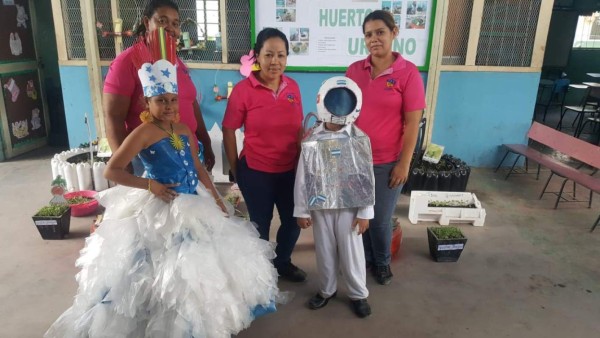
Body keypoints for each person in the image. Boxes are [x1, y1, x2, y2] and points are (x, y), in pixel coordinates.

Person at [44, 36, 282, 338]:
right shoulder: (143, 132)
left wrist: (216, 197)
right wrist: (150, 185)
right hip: (163, 204)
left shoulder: (182, 128)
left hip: (195, 200)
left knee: (204, 263)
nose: (168, 106)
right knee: (163, 266)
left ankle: (204, 317)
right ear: (147, 102)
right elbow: (112, 170)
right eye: (160, 100)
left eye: (172, 99)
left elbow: (197, 166)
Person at [346, 10, 426, 285]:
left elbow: (413, 123)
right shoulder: (355, 70)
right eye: (368, 34)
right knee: (360, 216)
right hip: (355, 160)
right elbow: (344, 113)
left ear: (394, 32)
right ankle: (366, 259)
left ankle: (382, 262)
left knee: (379, 219)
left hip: (387, 162)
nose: (374, 39)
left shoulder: (408, 73)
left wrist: (404, 163)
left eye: (380, 32)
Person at [222, 28, 307, 283]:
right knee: (260, 223)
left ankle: (281, 262)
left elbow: (298, 127)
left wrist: (304, 165)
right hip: (256, 170)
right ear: (257, 56)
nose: (275, 61)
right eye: (268, 54)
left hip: (289, 170)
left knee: (293, 222)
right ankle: (260, 270)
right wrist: (236, 167)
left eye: (281, 55)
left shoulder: (293, 87)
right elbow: (229, 128)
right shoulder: (243, 90)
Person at [103, 0, 215, 175]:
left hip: (188, 154)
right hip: (152, 162)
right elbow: (114, 116)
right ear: (147, 23)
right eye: (162, 21)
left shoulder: (175, 62)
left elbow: (191, 103)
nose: (170, 28)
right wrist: (124, 166)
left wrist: (206, 143)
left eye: (175, 23)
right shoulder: (127, 62)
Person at [294, 77, 374, 318]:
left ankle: (358, 294)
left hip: (350, 208)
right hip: (321, 206)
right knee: (325, 250)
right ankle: (327, 290)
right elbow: (302, 176)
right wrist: (302, 210)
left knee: (352, 252)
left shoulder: (359, 138)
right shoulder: (312, 140)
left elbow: (366, 176)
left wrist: (364, 213)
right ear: (323, 103)